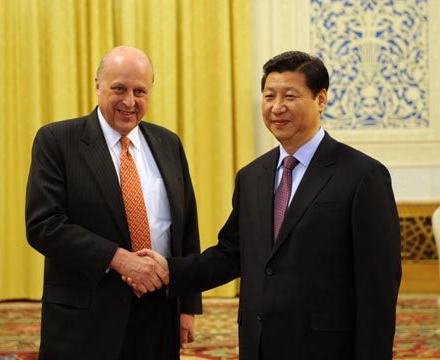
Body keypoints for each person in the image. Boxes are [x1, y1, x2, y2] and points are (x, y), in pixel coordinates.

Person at [137, 51, 402, 360]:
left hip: (327, 348)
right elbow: (231, 253)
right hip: (259, 343)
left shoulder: (362, 176)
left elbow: (379, 286)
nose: (277, 107)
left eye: (290, 96)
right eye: (268, 96)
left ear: (321, 99)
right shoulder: (252, 176)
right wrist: (170, 270)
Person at [25, 45, 201, 360]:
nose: (129, 101)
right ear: (97, 86)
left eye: (140, 91)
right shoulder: (57, 141)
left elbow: (186, 228)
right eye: (118, 88)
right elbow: (44, 225)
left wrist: (187, 305)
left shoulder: (168, 143)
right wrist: (120, 259)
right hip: (86, 317)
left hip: (159, 313)